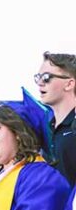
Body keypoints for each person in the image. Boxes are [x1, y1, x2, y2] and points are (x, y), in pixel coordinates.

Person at [36, 51, 76, 184]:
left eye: (47, 77)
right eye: (38, 77)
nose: (40, 83)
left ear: (69, 84)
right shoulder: (45, 129)